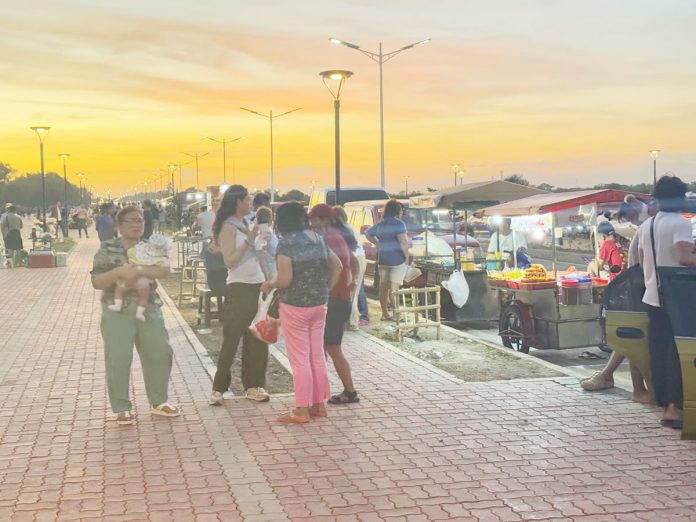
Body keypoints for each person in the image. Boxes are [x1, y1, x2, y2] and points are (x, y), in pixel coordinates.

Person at [91, 206, 180, 425]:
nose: (137, 223)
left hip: (148, 306)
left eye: (140, 220)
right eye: (131, 220)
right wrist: (119, 272)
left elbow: (165, 270)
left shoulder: (150, 247)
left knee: (159, 351)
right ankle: (122, 407)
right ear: (119, 226)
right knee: (119, 357)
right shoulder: (108, 248)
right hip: (116, 309)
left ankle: (159, 401)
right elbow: (97, 281)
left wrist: (139, 270)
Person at [261, 202, 341, 423]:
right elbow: (338, 266)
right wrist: (325, 289)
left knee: (299, 359)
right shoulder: (317, 238)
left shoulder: (286, 243)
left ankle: (301, 410)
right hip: (319, 304)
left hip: (295, 306)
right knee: (316, 356)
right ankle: (319, 405)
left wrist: (270, 283)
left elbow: (285, 279)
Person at [637, 176, 696, 429]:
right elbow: (684, 258)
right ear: (680, 197)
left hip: (652, 296)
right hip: (677, 298)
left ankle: (662, 404)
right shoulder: (680, 224)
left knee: (658, 351)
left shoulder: (647, 225)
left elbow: (641, 261)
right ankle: (675, 408)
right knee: (678, 353)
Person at [209, 185, 270, 406]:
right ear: (237, 202)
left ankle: (254, 385)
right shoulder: (229, 227)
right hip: (239, 286)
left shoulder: (247, 223)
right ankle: (218, 388)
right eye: (248, 199)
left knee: (257, 338)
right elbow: (230, 261)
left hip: (258, 285)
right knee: (232, 337)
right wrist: (250, 239)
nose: (251, 203)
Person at [309, 204, 360, 405]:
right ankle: (323, 390)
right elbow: (354, 262)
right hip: (341, 297)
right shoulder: (339, 236)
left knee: (331, 347)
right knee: (325, 347)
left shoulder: (328, 239)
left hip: (334, 299)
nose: (312, 226)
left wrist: (326, 290)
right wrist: (352, 282)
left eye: (314, 221)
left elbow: (334, 267)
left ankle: (348, 390)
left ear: (323, 220)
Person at [366, 199, 409, 321]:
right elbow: (403, 242)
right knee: (394, 288)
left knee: (383, 287)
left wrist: (378, 243)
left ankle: (384, 314)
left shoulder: (381, 224)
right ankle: (396, 315)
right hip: (397, 260)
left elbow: (368, 233)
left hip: (383, 259)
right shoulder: (399, 224)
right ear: (397, 210)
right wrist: (407, 257)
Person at [333, 206, 369, 329]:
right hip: (358, 258)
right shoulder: (348, 227)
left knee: (352, 292)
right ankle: (350, 321)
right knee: (352, 292)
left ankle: (353, 322)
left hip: (354, 260)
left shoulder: (343, 229)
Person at [254, 206, 278, 279]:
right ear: (270, 220)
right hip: (272, 270)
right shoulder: (270, 234)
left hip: (258, 272)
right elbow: (275, 251)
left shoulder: (254, 233)